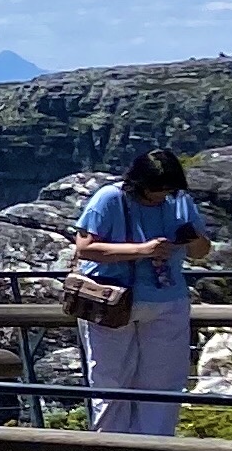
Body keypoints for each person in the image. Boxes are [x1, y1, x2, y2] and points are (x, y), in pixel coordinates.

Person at [72, 148, 212, 436]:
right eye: (155, 189)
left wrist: (194, 238)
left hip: (167, 300)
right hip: (112, 302)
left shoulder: (180, 201)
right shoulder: (110, 198)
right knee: (111, 381)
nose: (161, 195)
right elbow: (85, 248)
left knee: (164, 383)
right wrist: (142, 250)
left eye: (167, 188)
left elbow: (201, 253)